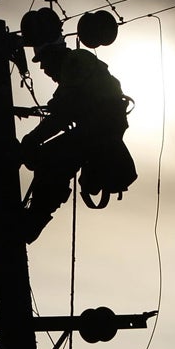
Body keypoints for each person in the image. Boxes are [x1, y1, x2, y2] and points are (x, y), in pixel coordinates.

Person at [19, 35, 136, 244]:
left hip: (98, 131)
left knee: (51, 160)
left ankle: (33, 220)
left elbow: (61, 114)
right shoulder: (74, 69)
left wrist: (31, 140)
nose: (43, 69)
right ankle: (34, 218)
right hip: (98, 131)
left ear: (54, 55)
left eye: (44, 61)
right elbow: (63, 107)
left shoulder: (76, 62)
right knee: (48, 159)